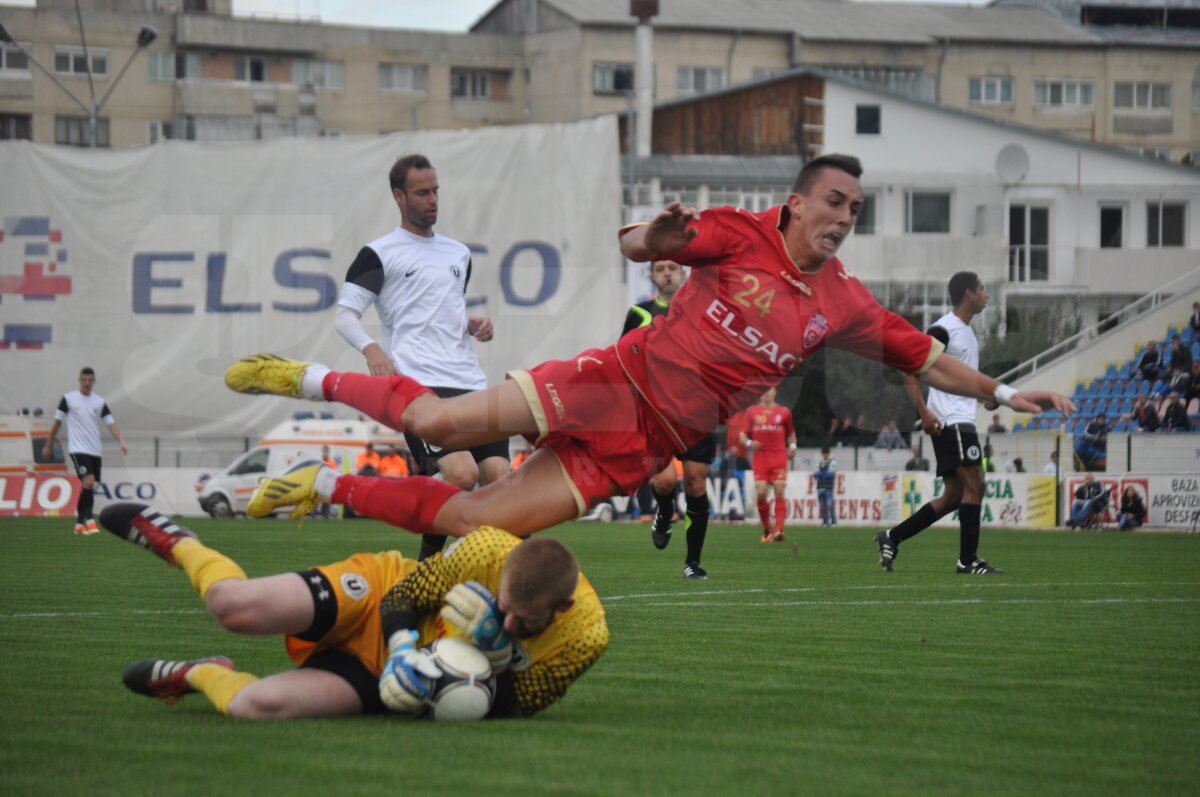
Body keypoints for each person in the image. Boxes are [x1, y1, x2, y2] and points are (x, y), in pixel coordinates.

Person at [225, 154, 1072, 546]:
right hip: (610, 383)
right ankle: (308, 376)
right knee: (438, 426)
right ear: (796, 204)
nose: (845, 217)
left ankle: (325, 486)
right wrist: (655, 236)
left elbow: (926, 360)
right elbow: (637, 242)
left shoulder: (844, 300)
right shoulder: (737, 233)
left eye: (856, 208)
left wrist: (1003, 392)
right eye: (835, 201)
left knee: (480, 522)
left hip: (644, 444)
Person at [97, 501, 607, 720]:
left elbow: (521, 703)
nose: (510, 623)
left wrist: (474, 669)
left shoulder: (586, 637)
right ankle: (180, 543)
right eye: (504, 608)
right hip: (377, 595)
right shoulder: (486, 549)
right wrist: (404, 648)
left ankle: (197, 674)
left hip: (393, 678)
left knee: (254, 706)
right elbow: (402, 598)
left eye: (524, 622)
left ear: (562, 607)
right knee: (234, 607)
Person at [334, 153, 508, 561]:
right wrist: (372, 349)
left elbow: (441, 310)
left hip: (470, 382)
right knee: (462, 474)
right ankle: (427, 566)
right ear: (399, 196)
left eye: (436, 191)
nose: (433, 200)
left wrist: (472, 324)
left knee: (501, 480)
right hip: (420, 387)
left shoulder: (458, 253)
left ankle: (516, 573)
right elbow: (345, 315)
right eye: (422, 193)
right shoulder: (378, 253)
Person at [874, 271, 1005, 575]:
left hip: (959, 419)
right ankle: (968, 561)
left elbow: (957, 381)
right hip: (950, 421)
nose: (986, 295)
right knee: (976, 484)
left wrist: (984, 398)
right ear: (968, 293)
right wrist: (924, 411)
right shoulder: (944, 328)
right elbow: (909, 365)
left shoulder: (967, 333)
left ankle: (892, 537)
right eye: (982, 289)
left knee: (954, 496)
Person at [621, 259, 714, 580]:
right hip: (656, 411)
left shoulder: (703, 310)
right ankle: (664, 511)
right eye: (660, 269)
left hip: (697, 410)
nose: (667, 273)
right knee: (663, 482)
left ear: (684, 273)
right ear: (651, 275)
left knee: (696, 483)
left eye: (673, 268)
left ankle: (693, 562)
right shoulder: (639, 313)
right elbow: (623, 359)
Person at [41, 366, 128, 535]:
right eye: (84, 379)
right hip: (77, 448)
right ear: (79, 380)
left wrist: (121, 441)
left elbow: (110, 423)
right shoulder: (68, 399)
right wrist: (48, 444)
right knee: (89, 481)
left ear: (94, 381)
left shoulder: (99, 401)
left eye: (90, 380)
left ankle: (79, 524)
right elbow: (57, 422)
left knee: (88, 485)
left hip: (95, 450)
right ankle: (90, 520)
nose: (87, 383)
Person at [740, 387, 797, 541]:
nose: (766, 392)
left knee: (779, 489)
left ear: (775, 392)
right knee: (761, 492)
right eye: (763, 389)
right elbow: (742, 435)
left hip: (778, 456)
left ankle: (779, 530)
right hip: (760, 457)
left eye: (769, 389)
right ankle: (767, 529)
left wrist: (792, 447)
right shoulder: (751, 412)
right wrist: (750, 443)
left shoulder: (784, 412)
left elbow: (791, 434)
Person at [813, 445, 838, 527]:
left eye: (826, 453)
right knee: (822, 506)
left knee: (830, 505)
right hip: (820, 487)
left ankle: (833, 522)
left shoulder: (832, 462)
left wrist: (821, 474)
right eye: (824, 453)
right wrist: (824, 473)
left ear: (828, 453)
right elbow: (815, 474)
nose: (825, 455)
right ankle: (825, 522)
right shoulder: (819, 462)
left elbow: (831, 474)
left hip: (829, 487)